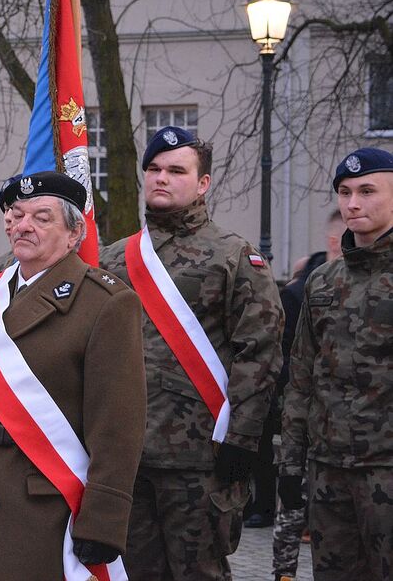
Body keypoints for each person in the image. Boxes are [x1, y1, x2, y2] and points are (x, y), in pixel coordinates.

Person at [0, 171, 147, 580]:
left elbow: (118, 426)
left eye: (41, 217)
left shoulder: (105, 302)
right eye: (16, 215)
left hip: (46, 501)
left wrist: (103, 520)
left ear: (74, 234)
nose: (23, 226)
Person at [99, 127, 284, 580]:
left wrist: (242, 442)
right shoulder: (113, 259)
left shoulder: (234, 257)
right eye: (154, 169)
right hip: (127, 454)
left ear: (203, 183)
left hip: (200, 458)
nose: (162, 178)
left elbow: (259, 354)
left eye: (176, 171)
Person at [278, 147, 393, 581]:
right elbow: (301, 378)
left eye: (367, 191)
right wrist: (291, 463)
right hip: (329, 473)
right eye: (345, 193)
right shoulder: (323, 282)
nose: (353, 203)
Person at [271, 210, 345, 581]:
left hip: (362, 449)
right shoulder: (304, 290)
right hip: (310, 431)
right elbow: (290, 364)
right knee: (291, 516)